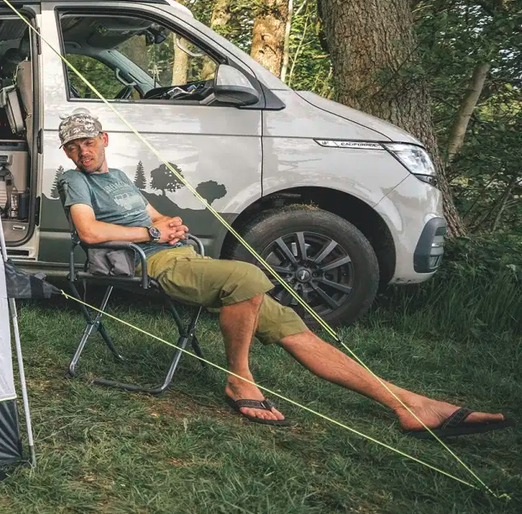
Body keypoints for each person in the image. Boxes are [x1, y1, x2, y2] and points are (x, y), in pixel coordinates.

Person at [56, 108, 508, 437]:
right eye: (72, 146)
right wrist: (149, 237)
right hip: (153, 266)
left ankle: (412, 405)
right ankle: (239, 377)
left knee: (298, 332)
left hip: (179, 255)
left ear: (105, 140)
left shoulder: (119, 180)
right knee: (247, 278)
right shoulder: (74, 180)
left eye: (87, 142)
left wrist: (168, 225)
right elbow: (90, 233)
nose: (81, 152)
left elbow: (152, 218)